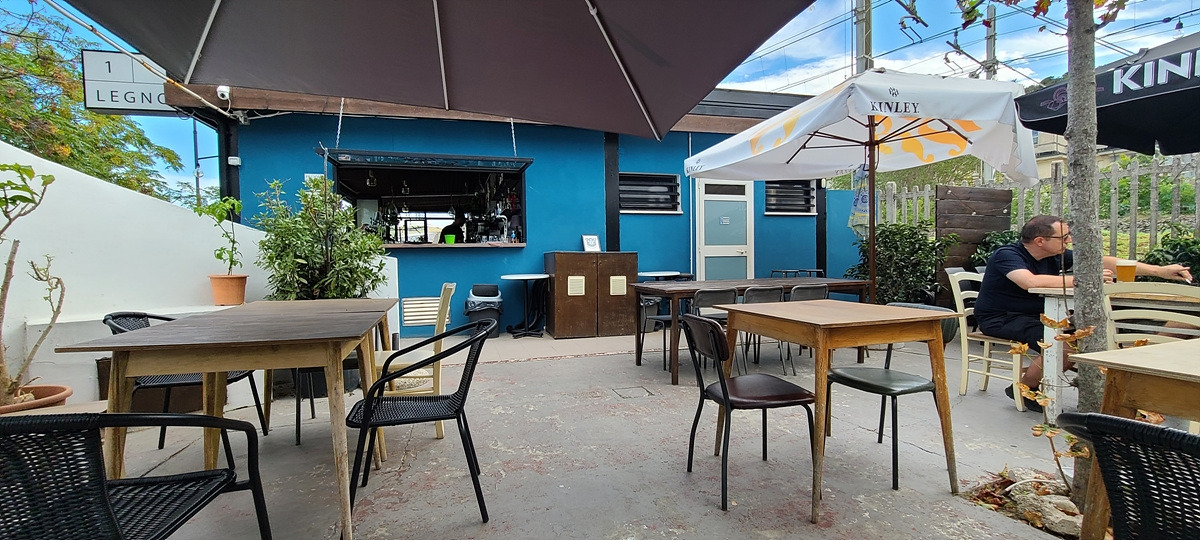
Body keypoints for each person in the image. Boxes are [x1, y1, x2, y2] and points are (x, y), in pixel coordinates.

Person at [973, 215, 1192, 412]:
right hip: (1001, 318)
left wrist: (1159, 271)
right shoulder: (1007, 254)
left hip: (1042, 317)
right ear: (1040, 241)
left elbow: (1101, 261)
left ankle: (1118, 389)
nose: (1069, 240)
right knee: (1067, 345)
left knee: (1095, 334)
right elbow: (1028, 281)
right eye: (1063, 237)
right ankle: (1025, 388)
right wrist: (1085, 280)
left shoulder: (1056, 255)